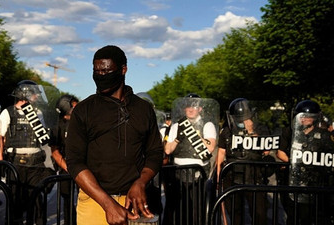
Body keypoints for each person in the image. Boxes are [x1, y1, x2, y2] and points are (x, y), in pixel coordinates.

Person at [65, 45, 163, 225]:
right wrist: (107, 204)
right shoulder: (83, 110)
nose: (101, 76)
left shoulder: (143, 109)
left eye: (107, 71)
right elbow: (74, 162)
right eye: (97, 71)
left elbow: (155, 152)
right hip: (95, 201)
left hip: (136, 202)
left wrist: (141, 182)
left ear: (123, 69)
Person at [0, 80, 55, 225]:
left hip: (35, 162)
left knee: (37, 200)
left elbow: (43, 136)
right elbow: (1, 135)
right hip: (15, 162)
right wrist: (0, 156)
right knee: (15, 199)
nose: (36, 96)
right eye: (34, 93)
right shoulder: (8, 112)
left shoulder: (37, 112)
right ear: (25, 94)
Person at [163, 93, 218, 225]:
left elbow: (210, 148)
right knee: (178, 211)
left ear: (200, 108)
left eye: (195, 106)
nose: (191, 109)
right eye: (188, 106)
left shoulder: (207, 125)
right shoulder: (177, 125)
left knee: (196, 212)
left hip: (198, 176)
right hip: (177, 174)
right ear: (184, 109)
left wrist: (193, 133)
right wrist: (177, 138)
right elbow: (168, 150)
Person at [216, 98, 271, 225]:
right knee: (235, 212)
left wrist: (251, 132)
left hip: (255, 176)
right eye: (239, 118)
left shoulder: (261, 129)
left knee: (259, 213)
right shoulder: (227, 131)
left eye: (245, 117)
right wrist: (219, 177)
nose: (242, 121)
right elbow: (221, 154)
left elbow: (267, 150)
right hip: (232, 176)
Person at [287, 100, 334, 225]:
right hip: (297, 183)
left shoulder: (324, 136)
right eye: (302, 116)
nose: (305, 119)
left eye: (308, 117)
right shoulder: (293, 135)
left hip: (318, 185)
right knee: (296, 218)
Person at [49, 94, 78, 225]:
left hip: (84, 166)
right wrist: (69, 168)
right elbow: (54, 152)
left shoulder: (82, 121)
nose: (77, 107)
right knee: (67, 199)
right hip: (66, 167)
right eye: (73, 105)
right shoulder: (57, 126)